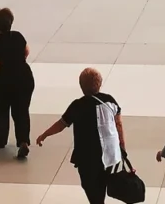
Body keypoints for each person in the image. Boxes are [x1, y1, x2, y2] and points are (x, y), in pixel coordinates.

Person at [36, 68, 127, 204]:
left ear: (81, 86)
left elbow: (61, 124)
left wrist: (44, 135)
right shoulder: (110, 101)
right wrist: (122, 146)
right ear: (100, 83)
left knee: (90, 186)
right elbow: (118, 124)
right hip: (109, 154)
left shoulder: (77, 106)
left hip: (87, 157)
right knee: (101, 184)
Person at [0, 8, 35, 159]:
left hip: (3, 82)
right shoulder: (19, 37)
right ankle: (23, 142)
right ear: (11, 22)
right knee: (21, 111)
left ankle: (1, 140)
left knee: (1, 111)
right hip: (24, 78)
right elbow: (26, 52)